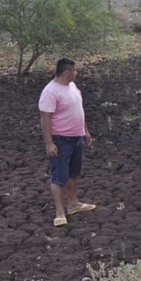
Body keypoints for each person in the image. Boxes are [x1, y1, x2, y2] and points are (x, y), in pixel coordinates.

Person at [39, 58, 96, 227]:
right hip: (61, 139)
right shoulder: (50, 91)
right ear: (67, 72)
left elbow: (79, 110)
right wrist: (49, 143)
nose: (76, 73)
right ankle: (59, 211)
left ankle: (73, 204)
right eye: (74, 71)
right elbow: (45, 119)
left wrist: (85, 130)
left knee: (73, 173)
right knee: (59, 176)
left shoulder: (72, 87)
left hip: (76, 138)